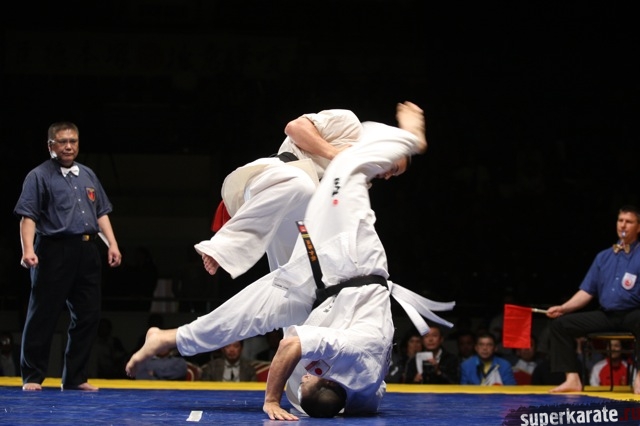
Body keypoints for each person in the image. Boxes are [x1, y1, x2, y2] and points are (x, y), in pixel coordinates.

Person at [126, 102, 455, 419]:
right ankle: (411, 139)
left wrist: (307, 398)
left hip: (318, 279)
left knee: (248, 317)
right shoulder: (349, 132)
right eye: (394, 166)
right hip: (296, 208)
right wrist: (271, 399)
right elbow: (295, 128)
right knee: (324, 179)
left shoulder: (361, 391)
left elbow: (326, 383)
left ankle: (167, 338)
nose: (389, 175)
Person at [13, 121, 122, 391]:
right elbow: (28, 216)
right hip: (53, 250)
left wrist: (112, 244)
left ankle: (75, 377)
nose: (69, 146)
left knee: (88, 315)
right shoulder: (38, 176)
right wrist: (28, 249)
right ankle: (32, 376)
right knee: (43, 314)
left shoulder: (87, 174)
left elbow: (100, 213)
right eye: (63, 142)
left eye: (73, 141)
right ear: (51, 145)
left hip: (87, 250)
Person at [195, 108, 363, 279]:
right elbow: (295, 127)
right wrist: (335, 154)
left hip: (298, 209)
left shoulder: (362, 171)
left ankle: (287, 291)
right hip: (274, 180)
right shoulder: (351, 125)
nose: (383, 175)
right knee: (303, 186)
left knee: (299, 276)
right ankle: (222, 247)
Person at [545, 205, 640, 393]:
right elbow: (587, 291)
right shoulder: (603, 257)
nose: (623, 225)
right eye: (620, 220)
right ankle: (572, 379)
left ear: (638, 227)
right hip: (607, 315)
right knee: (560, 325)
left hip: (634, 314)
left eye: (629, 222)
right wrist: (563, 308)